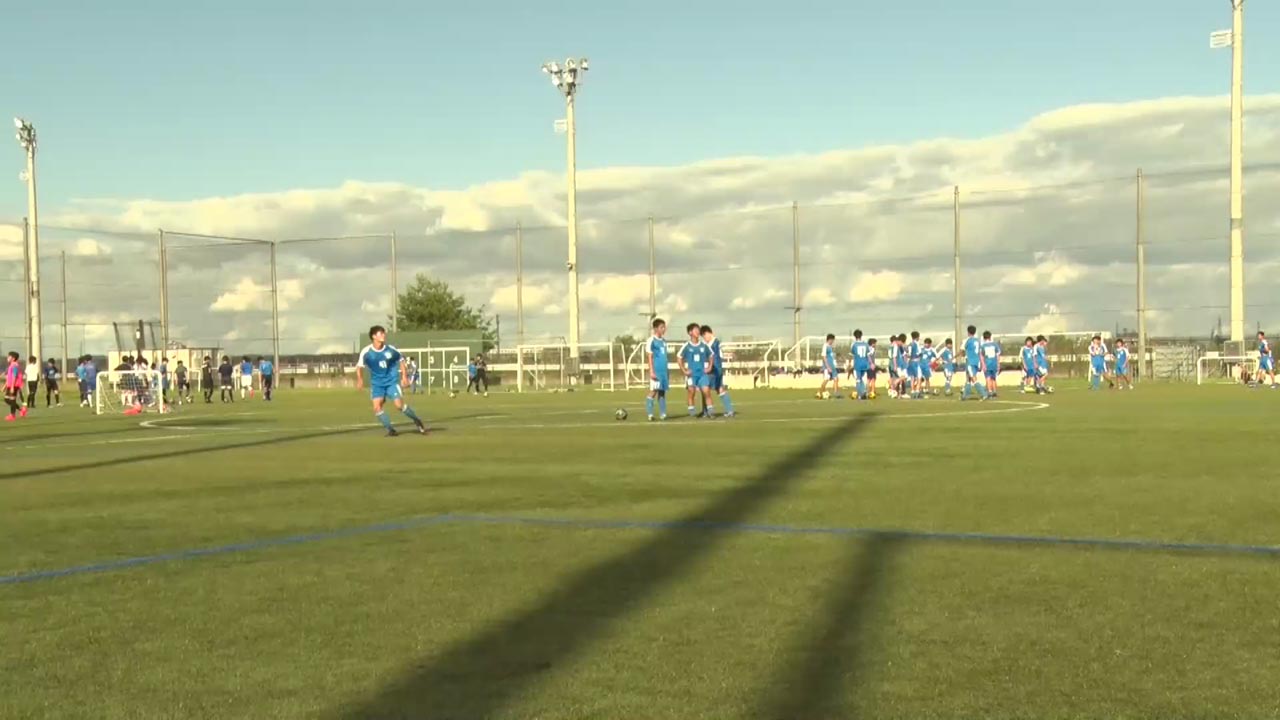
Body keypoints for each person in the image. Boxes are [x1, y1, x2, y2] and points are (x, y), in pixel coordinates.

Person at [356, 325, 426, 437]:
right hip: (377, 384)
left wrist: (404, 377)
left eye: (384, 333)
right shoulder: (366, 352)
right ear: (374, 336)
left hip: (391, 382)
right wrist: (359, 379)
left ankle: (417, 420)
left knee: (399, 406)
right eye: (381, 333)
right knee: (377, 407)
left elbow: (401, 360)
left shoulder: (391, 349)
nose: (383, 335)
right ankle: (391, 430)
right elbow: (359, 367)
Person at [678, 323, 714, 418]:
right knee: (691, 391)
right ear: (690, 332)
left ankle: (710, 411)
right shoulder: (687, 346)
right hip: (692, 374)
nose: (698, 331)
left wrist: (709, 367)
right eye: (695, 330)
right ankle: (692, 411)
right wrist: (684, 370)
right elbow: (679, 357)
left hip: (702, 373)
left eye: (698, 330)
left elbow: (711, 355)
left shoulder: (703, 345)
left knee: (706, 391)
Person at [700, 325, 735, 417]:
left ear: (709, 333)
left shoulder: (715, 343)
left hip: (713, 370)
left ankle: (706, 411)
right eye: (703, 336)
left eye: (704, 335)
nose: (704, 338)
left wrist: (709, 367)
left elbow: (716, 357)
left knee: (705, 388)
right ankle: (729, 410)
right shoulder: (713, 343)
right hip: (717, 369)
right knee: (720, 389)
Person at [646, 318, 670, 421]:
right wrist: (651, 371)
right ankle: (650, 414)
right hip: (656, 370)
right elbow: (650, 356)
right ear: (656, 328)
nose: (664, 329)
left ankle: (663, 414)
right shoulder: (651, 340)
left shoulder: (664, 341)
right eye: (661, 327)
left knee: (662, 392)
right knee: (653, 391)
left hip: (664, 371)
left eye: (664, 327)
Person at [961, 325, 989, 401]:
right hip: (976, 361)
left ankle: (984, 394)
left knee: (973, 379)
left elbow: (962, 351)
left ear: (968, 332)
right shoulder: (977, 340)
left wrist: (957, 355)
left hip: (970, 362)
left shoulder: (967, 340)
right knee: (968, 379)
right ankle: (964, 396)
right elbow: (980, 352)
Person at [817, 333, 841, 399]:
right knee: (826, 379)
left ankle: (836, 393)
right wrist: (827, 367)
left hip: (832, 366)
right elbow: (824, 357)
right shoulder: (825, 346)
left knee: (836, 379)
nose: (833, 341)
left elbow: (830, 356)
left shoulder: (830, 347)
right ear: (829, 339)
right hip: (827, 367)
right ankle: (819, 392)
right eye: (832, 340)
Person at [850, 330, 872, 400]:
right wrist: (871, 363)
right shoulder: (866, 344)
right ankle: (865, 392)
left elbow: (852, 355)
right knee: (864, 379)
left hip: (857, 365)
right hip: (865, 364)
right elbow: (868, 355)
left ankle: (860, 395)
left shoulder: (853, 344)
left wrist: (850, 364)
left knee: (858, 380)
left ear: (854, 336)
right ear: (861, 335)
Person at [5, 352, 25, 421]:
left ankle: (12, 415)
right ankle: (21, 409)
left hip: (14, 385)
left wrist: (12, 387)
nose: (7, 358)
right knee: (6, 399)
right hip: (10, 385)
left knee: (12, 399)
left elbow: (14, 376)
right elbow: (8, 377)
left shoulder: (15, 366)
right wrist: (5, 386)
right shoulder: (11, 365)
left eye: (9, 356)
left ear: (13, 358)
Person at [981, 331, 1001, 398]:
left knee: (988, 378)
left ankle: (989, 392)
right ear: (990, 337)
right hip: (994, 363)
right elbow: (998, 355)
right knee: (994, 378)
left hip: (987, 364)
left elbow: (981, 356)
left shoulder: (983, 346)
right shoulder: (995, 345)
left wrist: (983, 364)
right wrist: (998, 364)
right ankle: (994, 391)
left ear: (984, 338)